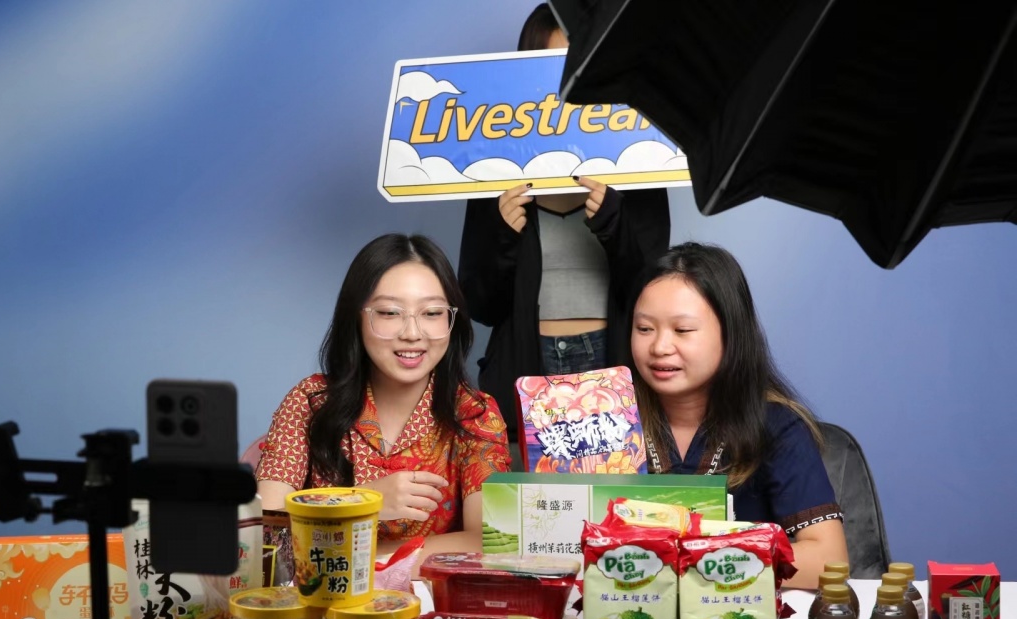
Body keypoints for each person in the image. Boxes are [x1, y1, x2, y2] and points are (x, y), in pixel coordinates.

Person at [458, 2, 671, 439]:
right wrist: (503, 235)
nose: (568, 84)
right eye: (554, 68)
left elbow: (652, 291)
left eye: (580, 65)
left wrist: (613, 221)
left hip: (612, 362)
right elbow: (480, 305)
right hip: (525, 364)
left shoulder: (639, 156)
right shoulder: (493, 166)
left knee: (615, 476)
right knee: (528, 485)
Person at [255, 233, 511, 558]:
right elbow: (264, 537)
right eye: (390, 313)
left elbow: (489, 543)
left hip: (423, 592)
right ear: (357, 317)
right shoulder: (310, 401)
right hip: (324, 590)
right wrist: (360, 502)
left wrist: (366, 557)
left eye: (432, 313)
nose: (412, 333)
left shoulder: (475, 413)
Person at [626, 242, 849, 588]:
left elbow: (829, 560)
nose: (659, 347)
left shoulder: (775, 425)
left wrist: (705, 557)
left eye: (682, 330)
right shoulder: (608, 418)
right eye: (644, 329)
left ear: (731, 334)